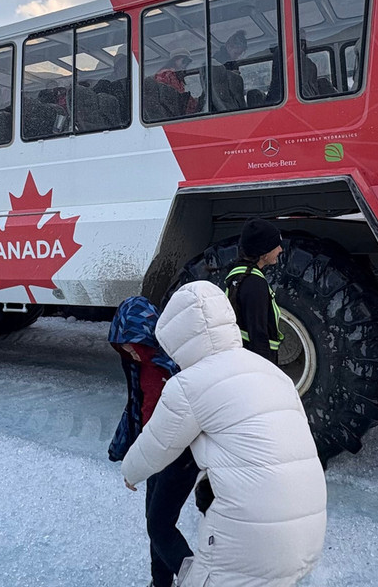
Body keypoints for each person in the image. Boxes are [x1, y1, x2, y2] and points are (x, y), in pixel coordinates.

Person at [121, 281, 326, 587]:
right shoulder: (273, 373)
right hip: (309, 535)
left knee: (169, 536)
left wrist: (129, 472)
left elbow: (157, 445)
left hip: (248, 547)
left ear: (175, 337)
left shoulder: (189, 385)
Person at [108, 296, 199, 587]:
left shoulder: (175, 364)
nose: (129, 351)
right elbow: (137, 408)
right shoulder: (137, 366)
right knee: (155, 524)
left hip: (181, 455)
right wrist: (126, 450)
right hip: (154, 454)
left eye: (133, 344)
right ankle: (160, 583)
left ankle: (201, 581)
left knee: (160, 527)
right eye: (123, 346)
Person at [224, 218, 284, 365]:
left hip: (243, 355)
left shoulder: (237, 273)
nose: (280, 250)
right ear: (264, 253)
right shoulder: (255, 285)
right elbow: (258, 334)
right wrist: (266, 371)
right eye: (276, 246)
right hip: (257, 361)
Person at [153, 49, 201, 115]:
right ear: (176, 60)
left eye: (187, 62)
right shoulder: (166, 73)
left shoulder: (179, 76)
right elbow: (178, 92)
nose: (185, 64)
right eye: (184, 61)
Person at [210, 30, 248, 112]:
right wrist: (231, 75)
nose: (237, 56)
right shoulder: (218, 61)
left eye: (240, 54)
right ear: (229, 47)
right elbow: (217, 81)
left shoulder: (231, 61)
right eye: (236, 53)